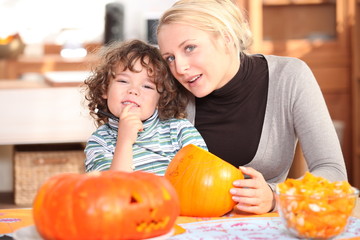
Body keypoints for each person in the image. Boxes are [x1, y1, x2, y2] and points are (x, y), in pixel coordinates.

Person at [156, 0, 347, 214]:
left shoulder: (289, 77)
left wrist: (276, 196)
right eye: (170, 58)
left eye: (190, 48)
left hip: (260, 228)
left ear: (226, 38)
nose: (179, 68)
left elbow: (333, 172)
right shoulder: (169, 90)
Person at [83, 39, 207, 175]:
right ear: (104, 89)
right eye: (123, 81)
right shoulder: (99, 141)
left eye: (147, 86)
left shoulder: (180, 131)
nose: (133, 90)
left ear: (161, 99)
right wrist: (124, 142)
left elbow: (201, 179)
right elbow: (113, 190)